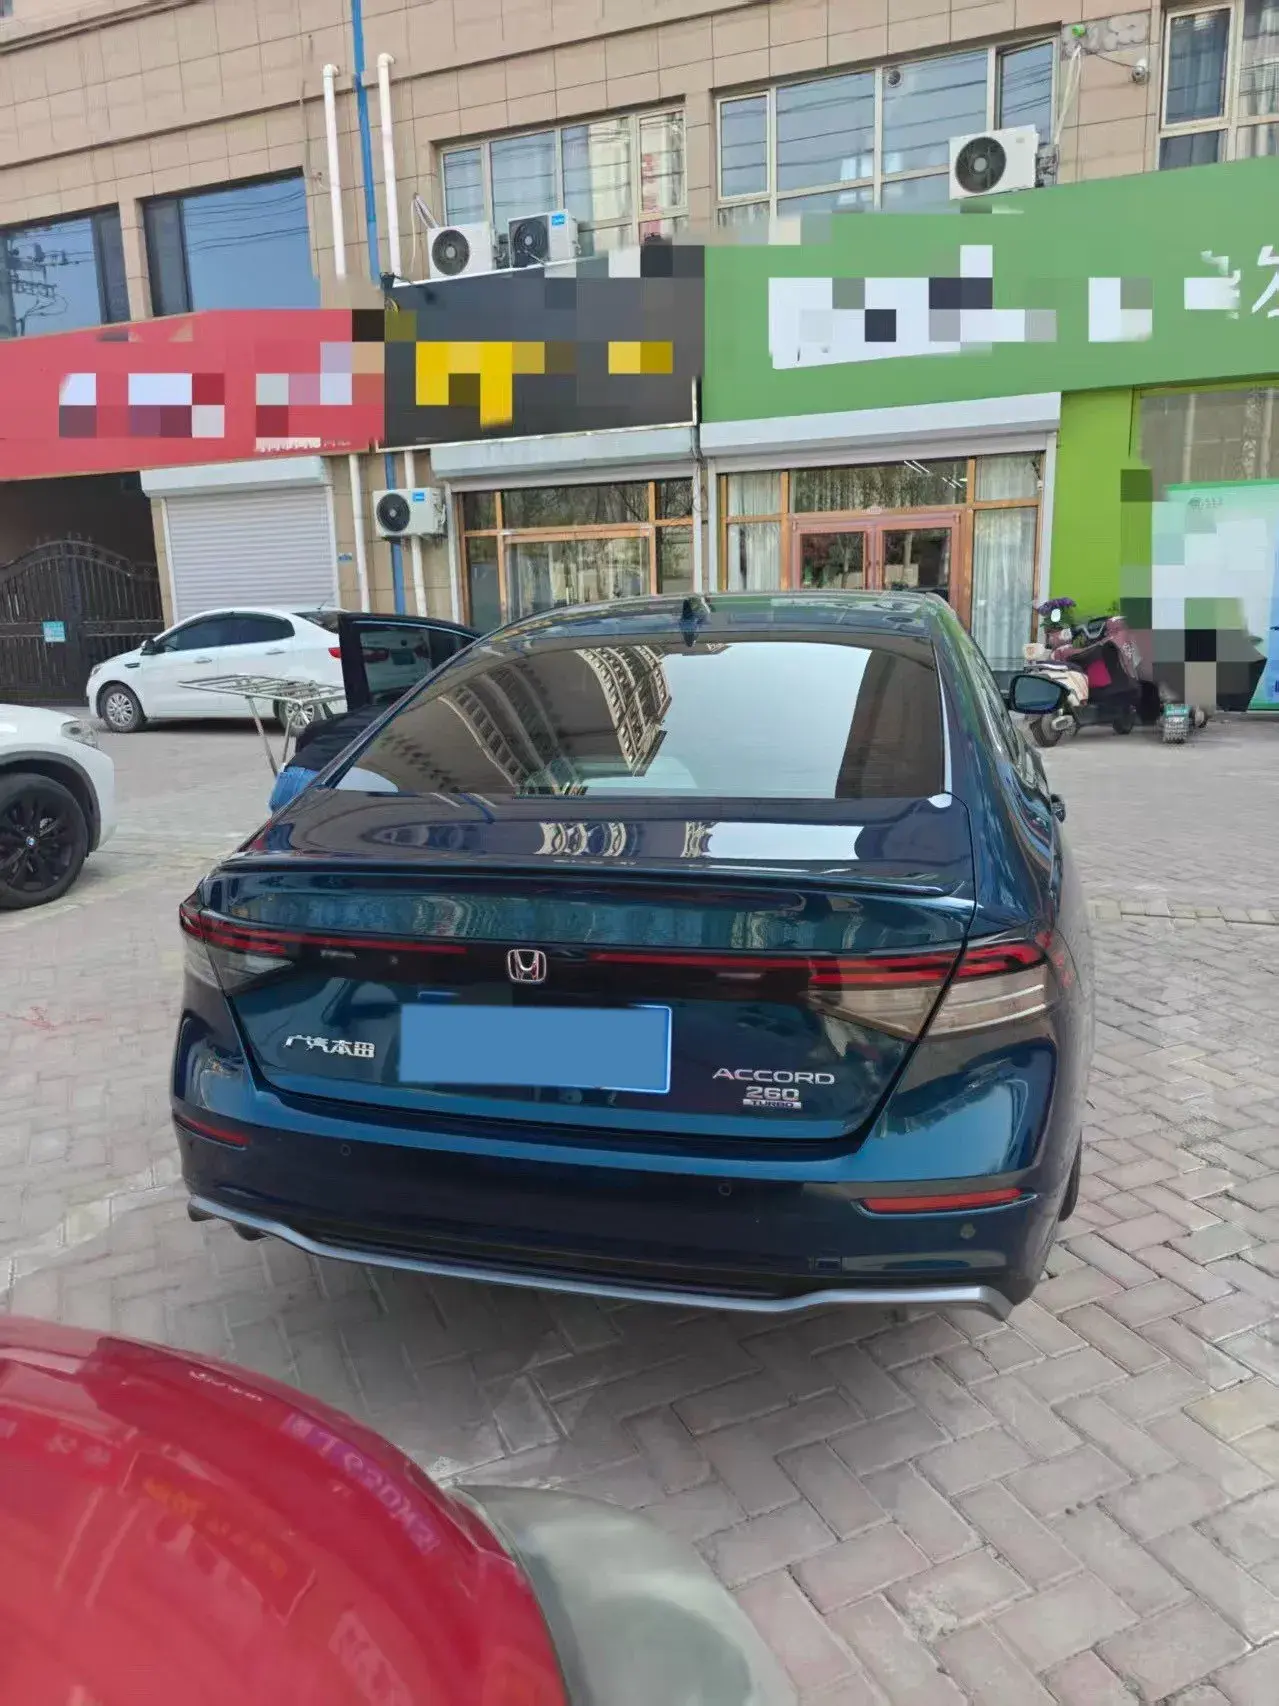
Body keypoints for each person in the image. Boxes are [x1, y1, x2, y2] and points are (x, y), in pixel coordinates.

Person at [267, 705, 383, 813]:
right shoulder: (390, 719)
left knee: (281, 828)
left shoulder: (368, 711)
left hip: (292, 775)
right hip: (322, 782)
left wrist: (301, 757)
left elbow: (313, 727)